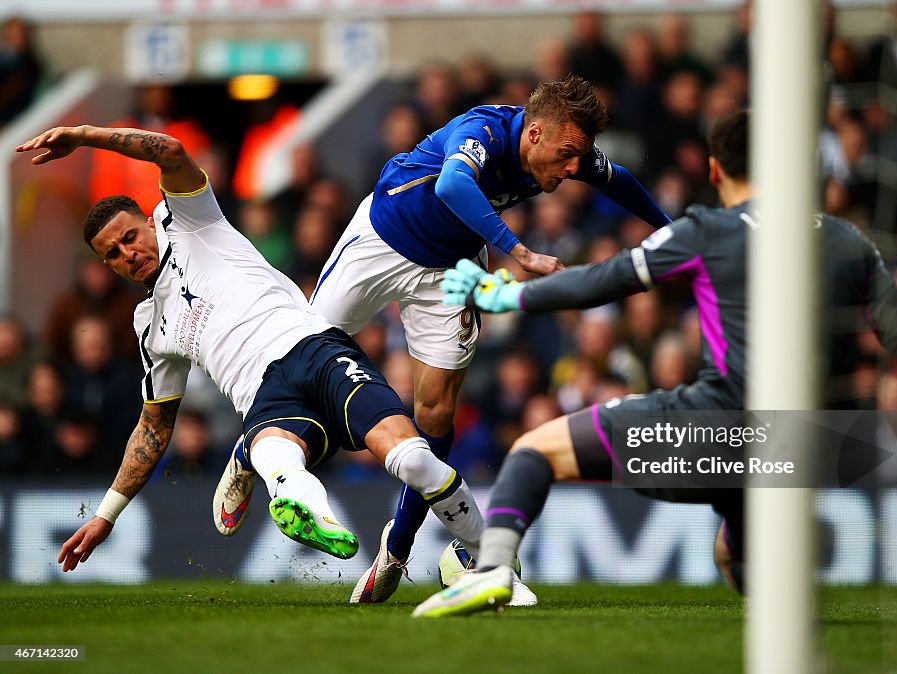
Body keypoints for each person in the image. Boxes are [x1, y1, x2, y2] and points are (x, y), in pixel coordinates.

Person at [412, 109, 897, 617]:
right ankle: (783, 612)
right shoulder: (848, 241)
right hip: (817, 446)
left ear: (713, 169)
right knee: (733, 554)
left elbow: (604, 281)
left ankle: (490, 571)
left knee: (533, 452)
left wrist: (507, 293)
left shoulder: (708, 228)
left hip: (722, 426)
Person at [16, 125, 532, 609]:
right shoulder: (149, 325)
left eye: (129, 237)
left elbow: (170, 151)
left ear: (147, 221)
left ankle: (492, 563)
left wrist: (84, 136)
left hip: (314, 348)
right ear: (104, 266)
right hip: (265, 398)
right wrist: (107, 514)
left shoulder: (187, 220)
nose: (127, 253)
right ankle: (306, 508)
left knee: (415, 462)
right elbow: (154, 426)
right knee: (277, 460)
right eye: (112, 254)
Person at [219, 74, 668, 605]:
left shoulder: (567, 149)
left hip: (448, 272)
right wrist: (519, 253)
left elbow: (616, 179)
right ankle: (251, 449)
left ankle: (397, 544)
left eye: (579, 157)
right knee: (301, 359)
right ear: (535, 133)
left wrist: (669, 230)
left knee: (434, 414)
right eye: (567, 154)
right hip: (383, 239)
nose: (573, 169)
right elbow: (453, 185)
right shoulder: (483, 132)